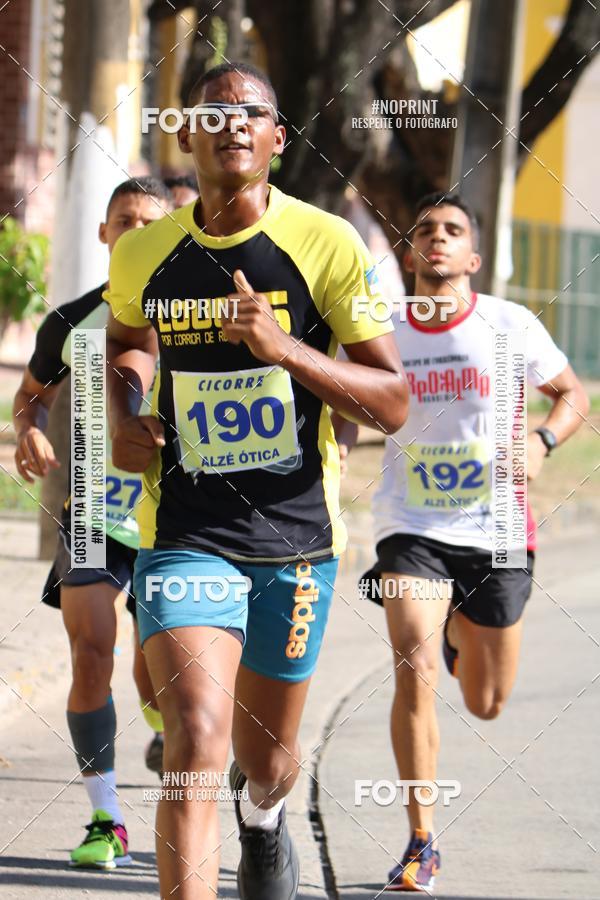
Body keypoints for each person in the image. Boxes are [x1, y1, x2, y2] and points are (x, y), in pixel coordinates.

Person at [105, 61, 409, 900]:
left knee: (266, 763)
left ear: (278, 138)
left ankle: (266, 817)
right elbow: (126, 340)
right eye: (215, 111)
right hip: (186, 533)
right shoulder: (144, 251)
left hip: (294, 542)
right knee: (197, 740)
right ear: (185, 134)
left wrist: (285, 351)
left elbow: (393, 401)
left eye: (254, 113)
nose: (234, 122)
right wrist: (130, 408)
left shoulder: (327, 243)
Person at [354, 192, 589, 892]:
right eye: (424, 229)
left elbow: (572, 393)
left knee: (486, 701)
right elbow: (344, 401)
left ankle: (461, 631)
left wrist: (545, 440)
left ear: (473, 257)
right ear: (407, 253)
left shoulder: (510, 324)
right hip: (413, 526)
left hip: (500, 534)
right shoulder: (383, 327)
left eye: (452, 230)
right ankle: (421, 840)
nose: (437, 238)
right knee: (411, 661)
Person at [12, 176, 174, 869]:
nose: (135, 230)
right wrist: (29, 431)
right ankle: (106, 819)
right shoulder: (70, 322)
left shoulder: (194, 318)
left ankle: (176, 734)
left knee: (156, 675)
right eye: (124, 220)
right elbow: (29, 396)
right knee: (91, 651)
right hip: (94, 511)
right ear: (105, 234)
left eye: (150, 221)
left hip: (175, 520)